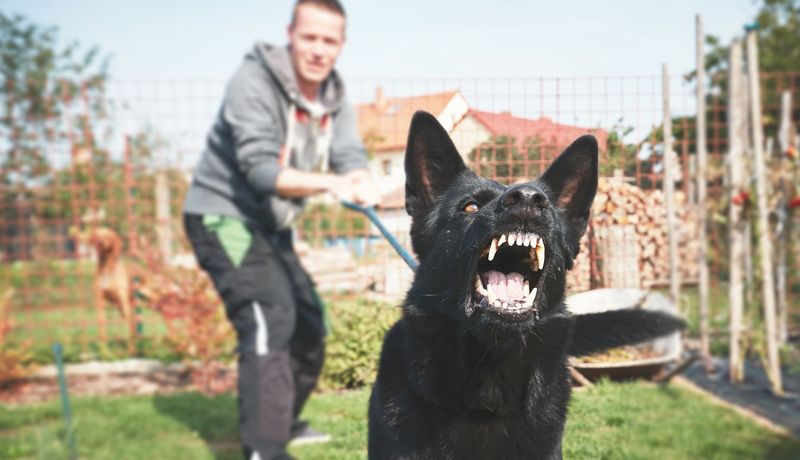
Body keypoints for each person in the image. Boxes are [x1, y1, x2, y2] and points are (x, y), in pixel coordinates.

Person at [183, 1, 377, 458]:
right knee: (271, 317)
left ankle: (283, 419)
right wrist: (332, 183)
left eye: (329, 41)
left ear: (341, 45)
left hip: (271, 226)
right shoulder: (252, 82)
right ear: (291, 33)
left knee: (309, 324)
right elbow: (259, 170)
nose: (318, 50)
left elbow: (349, 155)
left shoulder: (334, 97)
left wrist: (362, 179)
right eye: (309, 37)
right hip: (223, 215)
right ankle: (264, 449)